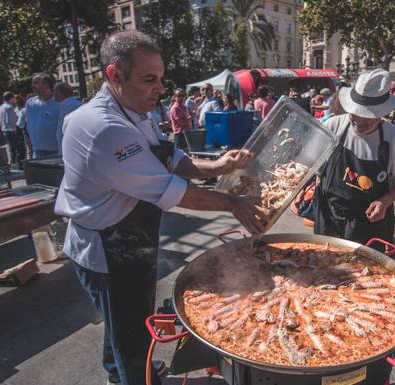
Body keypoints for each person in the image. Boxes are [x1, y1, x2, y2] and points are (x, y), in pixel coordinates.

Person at [54, 31, 266, 385]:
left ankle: (118, 375)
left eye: (161, 79)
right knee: (131, 334)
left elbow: (168, 155)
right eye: (149, 79)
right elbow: (173, 191)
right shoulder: (103, 128)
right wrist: (233, 204)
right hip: (108, 248)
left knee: (125, 322)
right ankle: (135, 378)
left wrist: (218, 167)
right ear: (115, 74)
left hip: (131, 239)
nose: (160, 88)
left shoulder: (137, 112)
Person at [312, 69, 395, 245]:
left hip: (369, 223)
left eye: (367, 117)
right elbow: (310, 163)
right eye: (355, 114)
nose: (359, 122)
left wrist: (384, 202)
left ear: (381, 114)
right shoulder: (333, 126)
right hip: (329, 215)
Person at [26, 73, 60, 158]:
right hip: (37, 151)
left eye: (36, 83)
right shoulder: (30, 103)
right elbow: (29, 125)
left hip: (56, 150)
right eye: (32, 83)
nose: (32, 86)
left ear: (46, 85)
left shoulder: (58, 102)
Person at [54, 82, 82, 156]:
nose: (54, 94)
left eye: (55, 91)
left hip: (71, 151)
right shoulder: (65, 105)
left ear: (60, 92)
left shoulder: (71, 105)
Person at [0, 91, 19, 165]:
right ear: (11, 98)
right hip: (11, 129)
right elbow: (11, 120)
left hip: (4, 129)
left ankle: (12, 162)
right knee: (15, 148)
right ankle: (14, 162)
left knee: (11, 147)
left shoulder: (1, 107)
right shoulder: (9, 107)